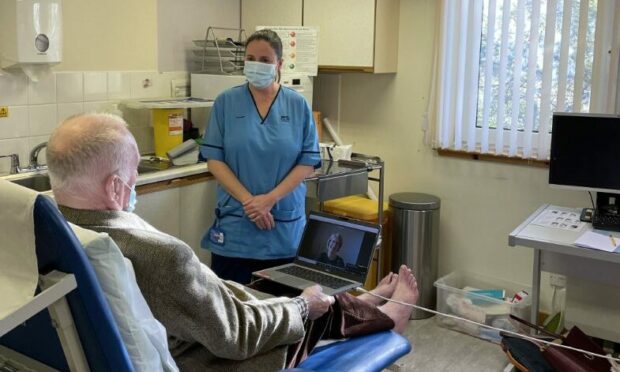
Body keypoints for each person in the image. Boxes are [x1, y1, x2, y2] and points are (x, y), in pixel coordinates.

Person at [47, 113, 419, 371]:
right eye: (133, 176)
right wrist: (303, 309)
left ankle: (357, 304)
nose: (135, 185)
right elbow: (237, 336)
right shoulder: (160, 256)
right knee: (310, 308)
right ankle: (384, 317)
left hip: (195, 323)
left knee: (262, 293)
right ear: (114, 186)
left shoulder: (51, 232)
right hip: (211, 359)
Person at [200, 29, 320, 284]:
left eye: (265, 60)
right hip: (236, 229)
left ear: (279, 64)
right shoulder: (226, 102)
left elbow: (308, 161)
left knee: (283, 312)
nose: (257, 65)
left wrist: (270, 200)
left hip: (283, 226)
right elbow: (215, 160)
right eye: (251, 58)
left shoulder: (297, 105)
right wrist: (250, 203)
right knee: (234, 313)